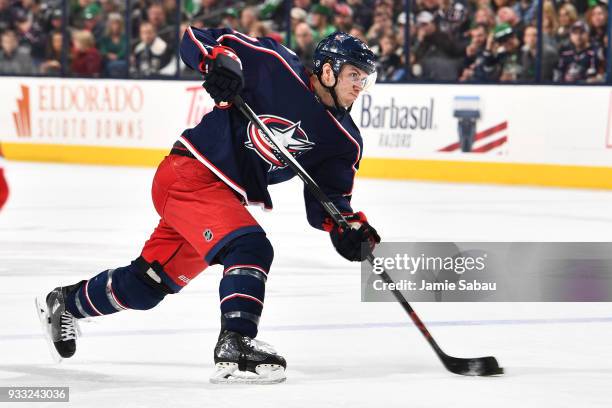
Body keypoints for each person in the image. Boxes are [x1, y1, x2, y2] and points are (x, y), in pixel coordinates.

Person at [36, 30, 380, 384]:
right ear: (327, 70)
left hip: (218, 199)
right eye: (354, 74)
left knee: (148, 285)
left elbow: (329, 202)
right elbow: (197, 39)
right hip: (190, 173)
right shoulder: (275, 64)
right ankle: (236, 342)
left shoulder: (343, 141)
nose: (359, 85)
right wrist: (218, 64)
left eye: (364, 78)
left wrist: (348, 228)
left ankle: (67, 302)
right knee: (250, 245)